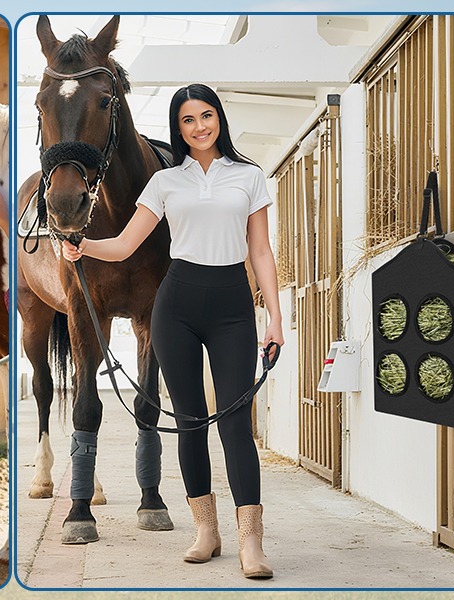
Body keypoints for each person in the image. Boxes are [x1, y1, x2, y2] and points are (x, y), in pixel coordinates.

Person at [61, 83, 283, 579]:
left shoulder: (248, 177)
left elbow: (261, 251)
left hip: (231, 305)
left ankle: (251, 540)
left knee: (234, 423)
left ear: (218, 118)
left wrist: (274, 315)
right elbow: (121, 244)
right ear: (177, 129)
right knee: (188, 422)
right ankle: (206, 530)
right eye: (188, 119)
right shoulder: (165, 183)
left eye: (206, 115)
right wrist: (82, 247)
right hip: (176, 304)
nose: (199, 126)